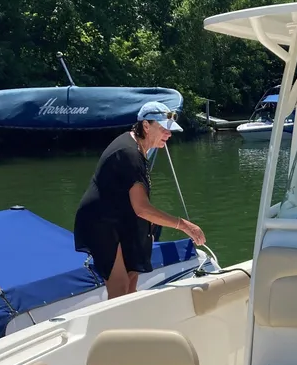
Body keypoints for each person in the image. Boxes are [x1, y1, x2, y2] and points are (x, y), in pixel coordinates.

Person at [74, 100, 206, 298]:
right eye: (163, 129)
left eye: (170, 130)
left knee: (131, 279)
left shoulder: (139, 147)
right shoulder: (129, 153)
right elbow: (142, 208)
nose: (169, 134)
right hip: (100, 222)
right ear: (146, 125)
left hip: (122, 218)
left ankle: (130, 315)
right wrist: (184, 225)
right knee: (120, 288)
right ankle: (117, 317)